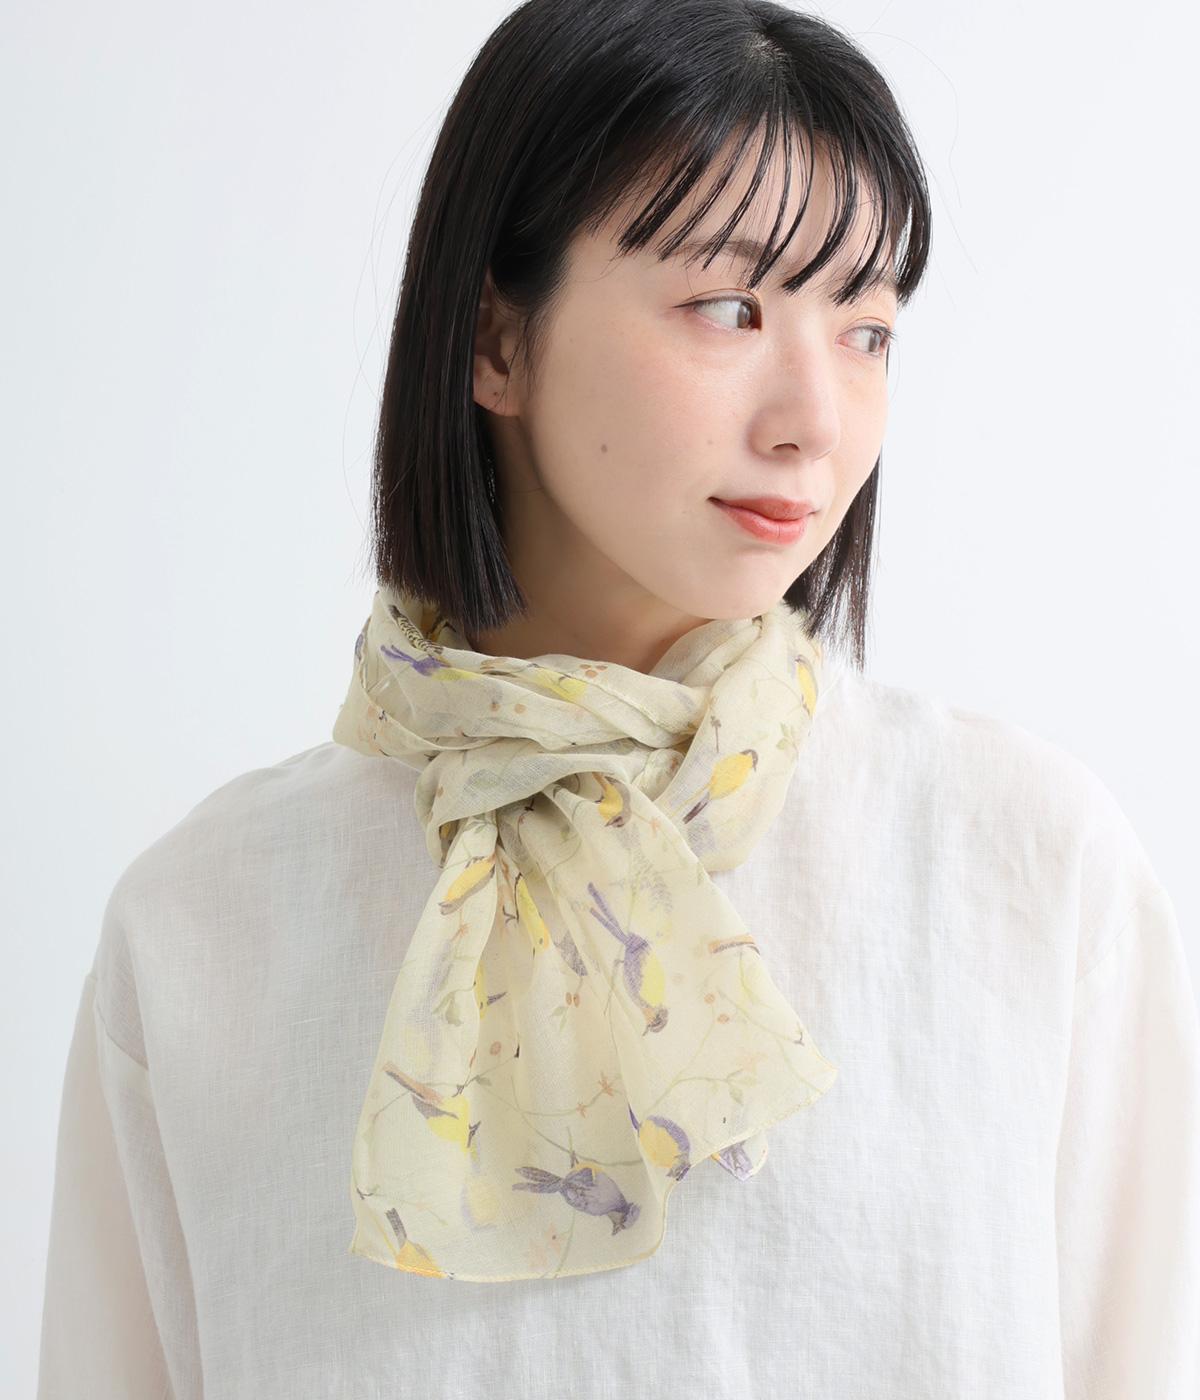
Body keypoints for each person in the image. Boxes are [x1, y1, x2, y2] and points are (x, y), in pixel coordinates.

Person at [37, 1, 1200, 1396]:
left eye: (867, 329)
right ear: (496, 340)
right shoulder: (202, 926)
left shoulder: (1026, 868)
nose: (815, 420)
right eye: (730, 308)